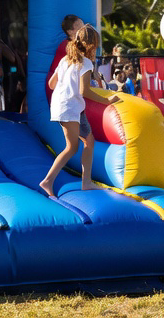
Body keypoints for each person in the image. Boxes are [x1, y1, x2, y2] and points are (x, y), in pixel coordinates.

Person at [39, 24, 119, 197]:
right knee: (71, 147)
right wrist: (108, 100)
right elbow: (85, 91)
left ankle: (87, 181)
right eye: (95, 46)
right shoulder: (86, 63)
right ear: (91, 45)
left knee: (89, 141)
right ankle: (47, 181)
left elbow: (52, 84)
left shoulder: (66, 59)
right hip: (68, 108)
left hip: (70, 106)